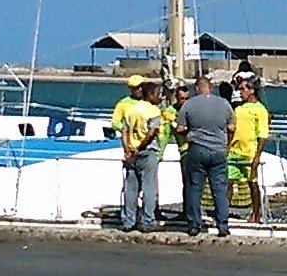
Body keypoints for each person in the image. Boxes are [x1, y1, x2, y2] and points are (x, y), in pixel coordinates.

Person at [175, 74, 233, 238]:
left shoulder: (189, 105)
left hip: (197, 149)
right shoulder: (224, 104)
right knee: (219, 189)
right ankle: (223, 224)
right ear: (211, 88)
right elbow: (232, 127)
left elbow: (180, 128)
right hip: (218, 150)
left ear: (196, 89)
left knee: (195, 188)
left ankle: (194, 224)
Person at [110, 76, 165, 233]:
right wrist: (139, 147)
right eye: (157, 94)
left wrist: (127, 149)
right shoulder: (153, 111)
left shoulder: (130, 109)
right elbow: (151, 132)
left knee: (131, 188)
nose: (159, 97)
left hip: (132, 152)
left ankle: (128, 220)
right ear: (150, 95)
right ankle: (148, 221)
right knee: (149, 188)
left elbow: (124, 131)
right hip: (146, 151)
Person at [228, 76, 269, 224]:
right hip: (234, 151)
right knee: (228, 181)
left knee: (252, 184)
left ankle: (256, 213)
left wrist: (257, 156)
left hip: (249, 152)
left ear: (252, 90)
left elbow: (262, 134)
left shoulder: (260, 110)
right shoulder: (238, 108)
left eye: (243, 89)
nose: (240, 92)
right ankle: (223, 212)